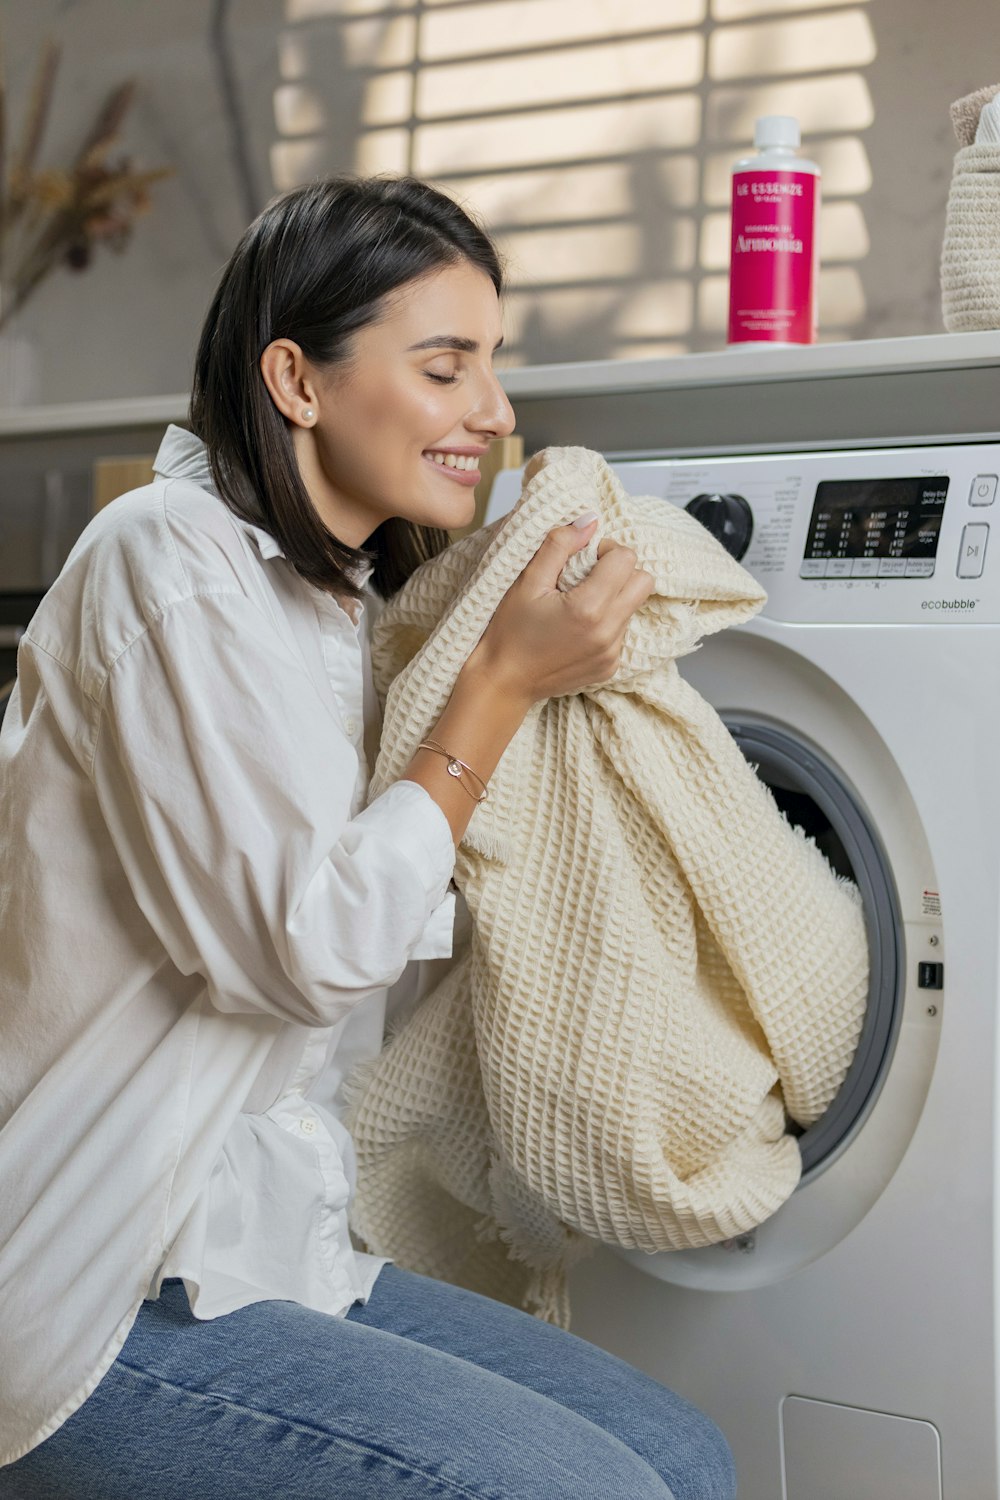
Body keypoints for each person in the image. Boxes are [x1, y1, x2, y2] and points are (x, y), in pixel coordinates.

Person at [0, 176, 736, 1500]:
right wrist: (499, 686)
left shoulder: (329, 605)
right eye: (445, 366)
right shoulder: (166, 563)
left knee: (686, 1454)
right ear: (297, 378)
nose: (495, 412)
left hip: (267, 1250)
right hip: (97, 1273)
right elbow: (300, 954)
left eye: (493, 367)